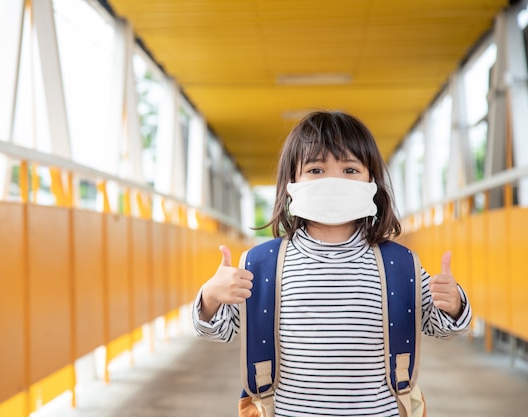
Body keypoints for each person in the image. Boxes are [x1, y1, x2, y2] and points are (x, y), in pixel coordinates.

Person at [192, 110, 472, 417]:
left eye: (350, 170)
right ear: (292, 182)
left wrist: (454, 304)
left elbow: (440, 326)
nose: (334, 181)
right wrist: (210, 296)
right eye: (316, 169)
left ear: (372, 182)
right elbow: (220, 330)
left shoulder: (400, 265)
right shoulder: (261, 265)